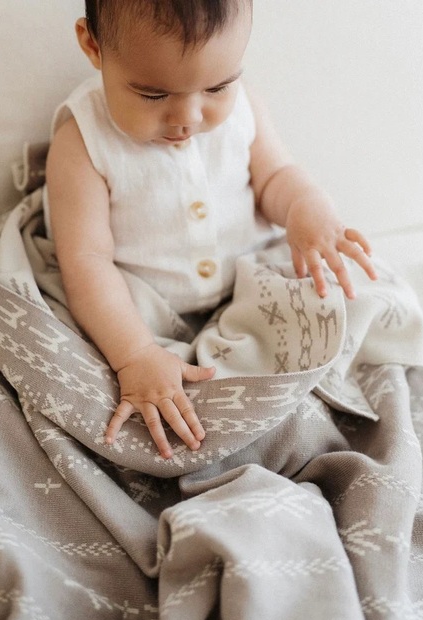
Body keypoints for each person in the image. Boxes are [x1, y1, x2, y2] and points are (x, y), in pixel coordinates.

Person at [45, 0, 377, 460]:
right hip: (142, 310)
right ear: (93, 45)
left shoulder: (245, 109)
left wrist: (305, 205)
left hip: (248, 286)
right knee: (102, 371)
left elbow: (275, 177)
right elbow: (87, 261)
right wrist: (134, 355)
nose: (189, 118)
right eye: (153, 95)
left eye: (218, 87)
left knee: (348, 302)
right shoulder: (82, 140)